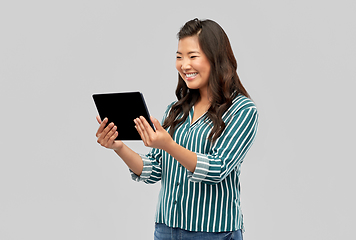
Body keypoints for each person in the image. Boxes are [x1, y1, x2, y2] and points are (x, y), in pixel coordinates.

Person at [95, 18, 258, 240]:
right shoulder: (176, 110)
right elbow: (155, 169)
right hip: (166, 229)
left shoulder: (242, 110)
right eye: (179, 57)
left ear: (216, 58)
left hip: (213, 232)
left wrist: (169, 145)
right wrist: (118, 147)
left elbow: (218, 168)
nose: (184, 65)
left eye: (192, 56)